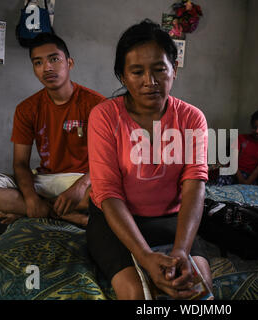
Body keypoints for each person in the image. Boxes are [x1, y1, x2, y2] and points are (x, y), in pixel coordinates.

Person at [86, 19, 212, 300]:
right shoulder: (104, 117)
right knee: (135, 293)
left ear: (174, 70)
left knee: (199, 288)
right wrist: (144, 256)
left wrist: (181, 250)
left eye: (159, 70)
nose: (149, 82)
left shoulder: (192, 118)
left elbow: (194, 186)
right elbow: (108, 193)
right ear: (122, 77)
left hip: (170, 219)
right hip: (114, 221)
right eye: (137, 72)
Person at [0, 33, 106, 227]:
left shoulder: (97, 104)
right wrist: (30, 199)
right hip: (44, 181)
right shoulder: (27, 108)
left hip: (85, 180)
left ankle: (27, 211)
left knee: (120, 192)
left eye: (54, 59)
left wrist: (79, 187)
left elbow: (108, 159)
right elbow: (20, 163)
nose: (47, 68)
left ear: (69, 63)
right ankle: (64, 214)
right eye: (38, 63)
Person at [212, 109, 258, 186]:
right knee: (221, 179)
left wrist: (246, 183)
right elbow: (233, 162)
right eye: (254, 127)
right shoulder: (241, 138)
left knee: (250, 190)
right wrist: (241, 180)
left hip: (249, 176)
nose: (257, 131)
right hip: (233, 170)